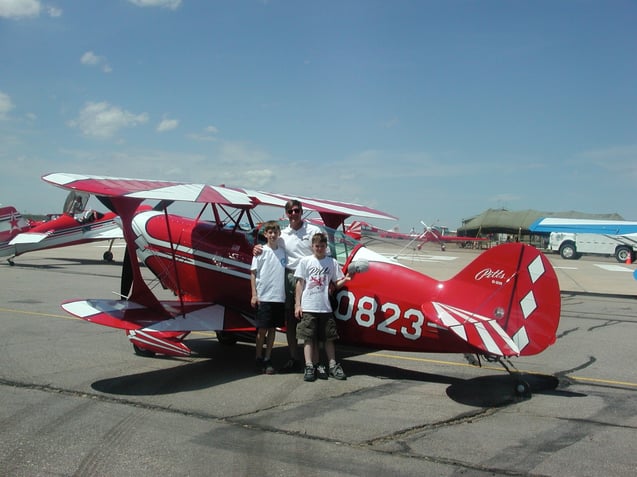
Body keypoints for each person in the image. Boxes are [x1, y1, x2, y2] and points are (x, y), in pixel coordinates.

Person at [254, 199, 323, 373]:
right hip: (289, 276)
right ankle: (294, 358)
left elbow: (323, 254)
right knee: (290, 321)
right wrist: (256, 248)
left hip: (309, 277)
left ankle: (314, 362)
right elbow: (269, 245)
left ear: (301, 211)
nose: (294, 214)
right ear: (286, 214)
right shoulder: (282, 234)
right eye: (290, 211)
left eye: (297, 211)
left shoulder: (314, 230)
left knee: (309, 320)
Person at [294, 232, 350, 382]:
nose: (319, 249)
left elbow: (336, 283)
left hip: (325, 307)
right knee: (308, 338)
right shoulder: (305, 261)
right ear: (312, 246)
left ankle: (332, 365)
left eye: (322, 246)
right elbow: (300, 284)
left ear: (326, 247)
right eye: (317, 246)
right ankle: (309, 366)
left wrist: (345, 280)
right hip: (309, 306)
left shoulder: (332, 263)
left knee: (329, 338)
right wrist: (297, 304)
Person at [250, 221, 286, 375]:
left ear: (279, 234)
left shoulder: (283, 252)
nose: (272, 235)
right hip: (264, 296)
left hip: (279, 297)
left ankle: (268, 357)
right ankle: (258, 357)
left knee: (273, 329)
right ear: (265, 235)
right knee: (262, 329)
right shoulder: (260, 251)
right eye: (269, 232)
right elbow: (253, 273)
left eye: (275, 232)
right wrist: (254, 294)